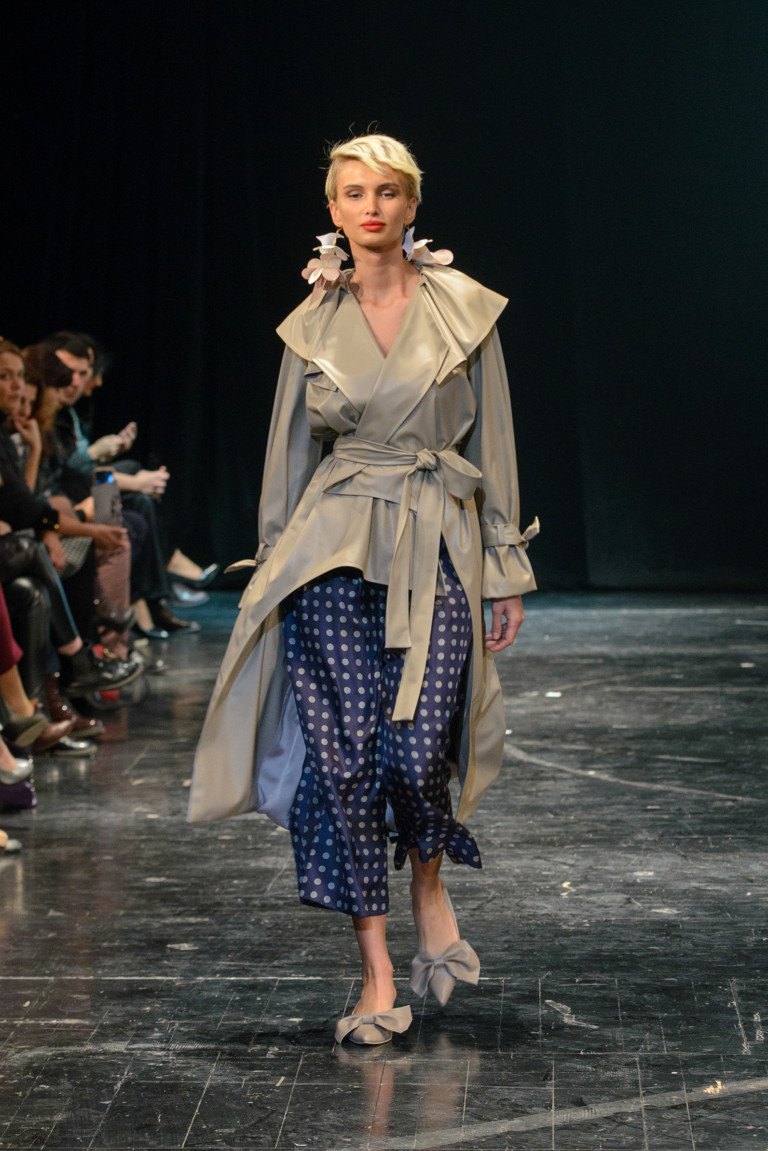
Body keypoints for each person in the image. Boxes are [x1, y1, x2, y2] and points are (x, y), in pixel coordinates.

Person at [189, 134, 538, 1045]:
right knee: (343, 761)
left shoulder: (464, 308)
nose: (372, 207)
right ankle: (376, 971)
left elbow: (494, 440)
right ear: (333, 210)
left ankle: (428, 880)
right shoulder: (310, 324)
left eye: (387, 192)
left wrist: (503, 569)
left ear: (413, 204)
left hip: (436, 538)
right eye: (354, 193)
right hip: (330, 550)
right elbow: (286, 456)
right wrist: (270, 569)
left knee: (419, 753)